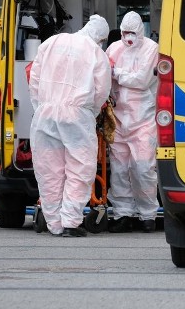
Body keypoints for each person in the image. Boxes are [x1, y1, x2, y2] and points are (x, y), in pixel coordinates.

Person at [29, 14, 112, 237]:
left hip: (46, 114)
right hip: (77, 115)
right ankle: (70, 222)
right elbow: (101, 89)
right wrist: (89, 112)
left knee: (48, 169)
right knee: (80, 168)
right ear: (100, 37)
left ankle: (53, 223)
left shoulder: (51, 43)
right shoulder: (96, 52)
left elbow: (34, 79)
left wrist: (42, 107)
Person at [106, 11, 160, 233]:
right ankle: (123, 214)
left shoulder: (151, 49)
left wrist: (117, 74)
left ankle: (148, 215)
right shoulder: (113, 49)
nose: (129, 37)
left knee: (143, 167)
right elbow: (103, 76)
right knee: (118, 170)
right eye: (125, 33)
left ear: (141, 31)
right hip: (118, 120)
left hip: (143, 119)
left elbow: (142, 80)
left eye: (132, 33)